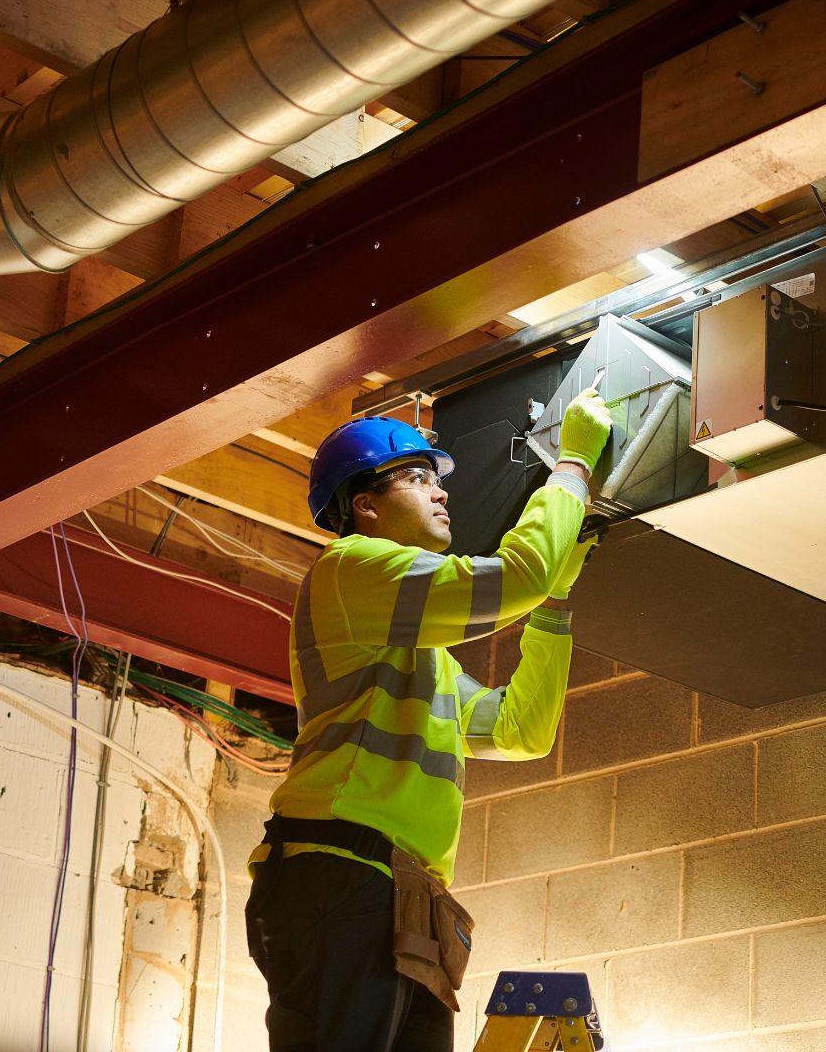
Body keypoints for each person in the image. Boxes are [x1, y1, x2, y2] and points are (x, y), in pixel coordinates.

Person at [245, 389, 614, 1051]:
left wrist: (554, 604)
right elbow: (517, 576)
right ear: (365, 504)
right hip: (340, 875)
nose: (443, 492)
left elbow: (517, 732)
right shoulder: (348, 568)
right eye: (419, 478)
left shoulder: (424, 662)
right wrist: (574, 464)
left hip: (400, 897)